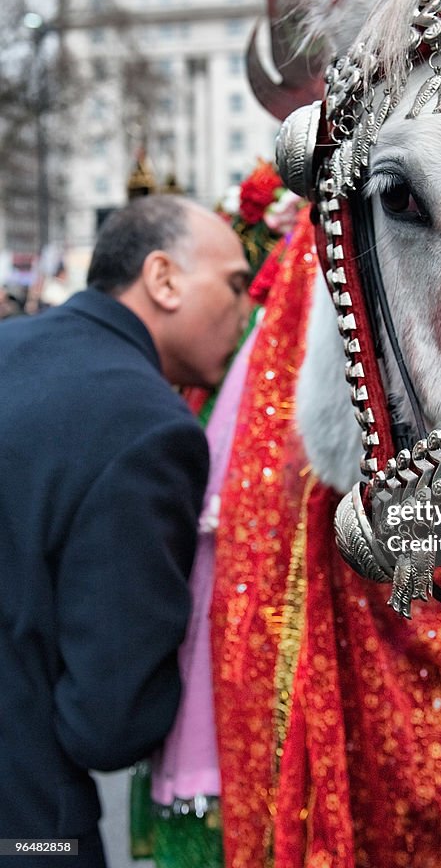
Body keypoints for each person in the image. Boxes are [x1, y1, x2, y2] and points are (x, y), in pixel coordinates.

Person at [0, 195, 251, 868]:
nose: (245, 311)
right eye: (233, 284)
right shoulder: (149, 427)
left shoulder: (10, 346)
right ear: (163, 278)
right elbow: (109, 723)